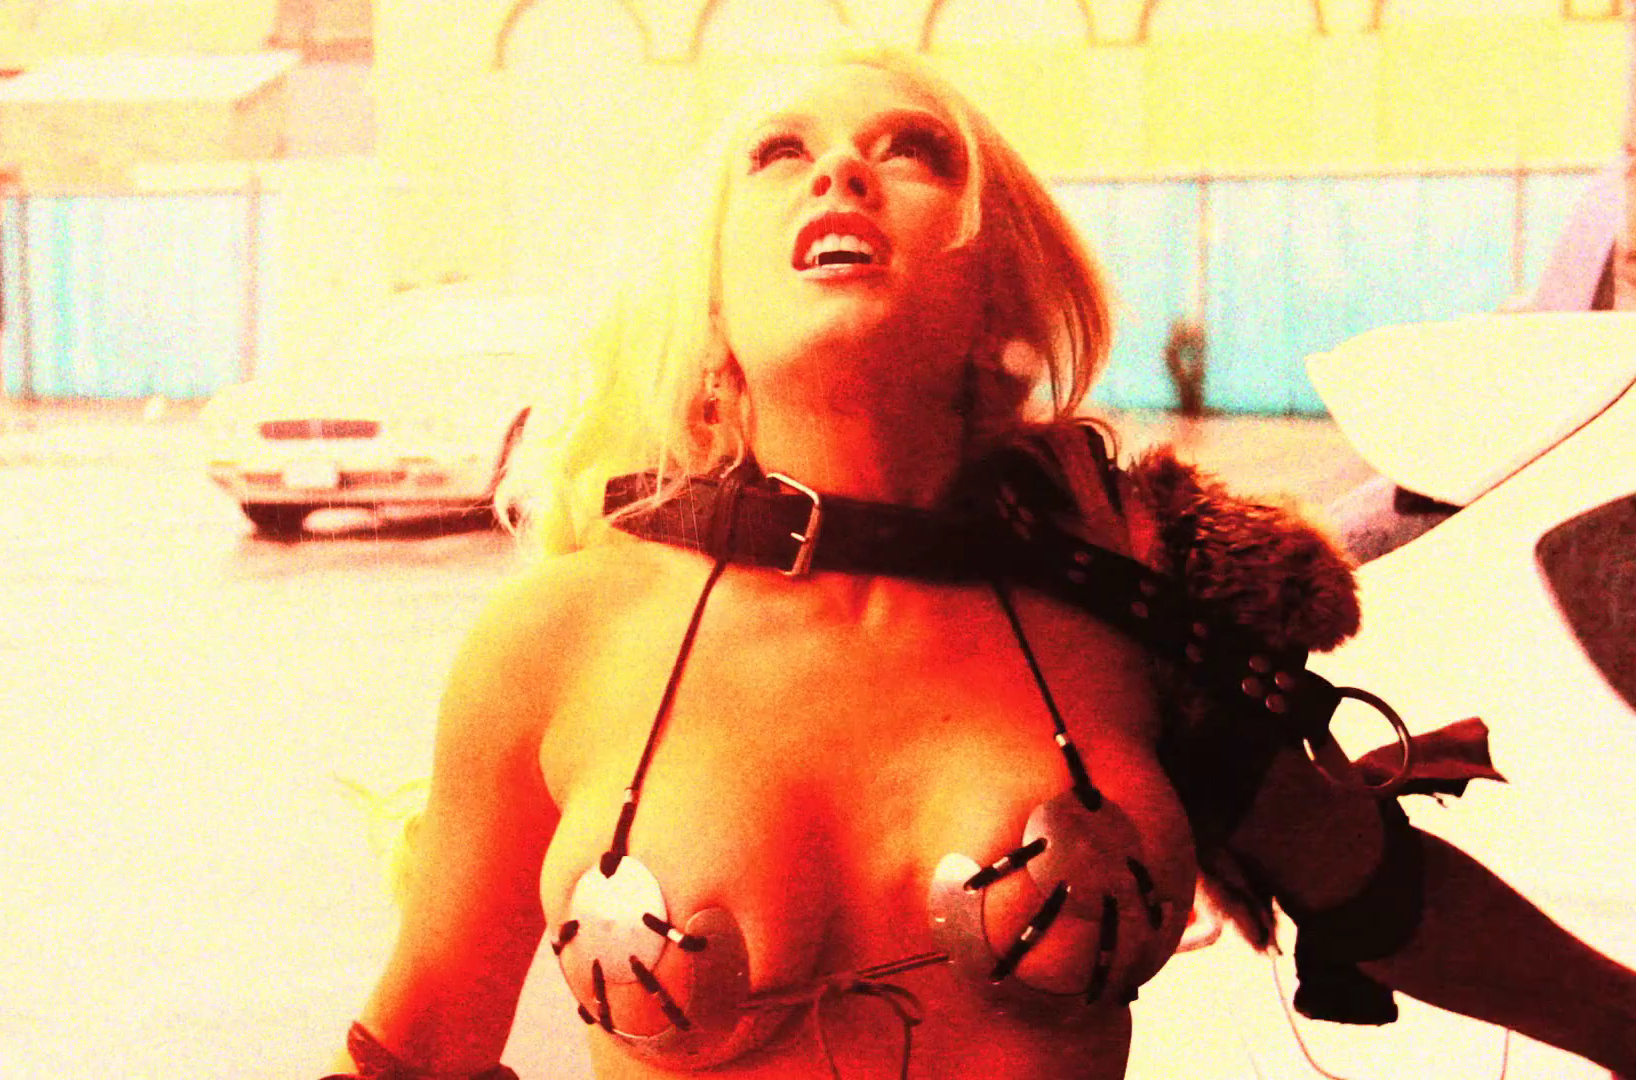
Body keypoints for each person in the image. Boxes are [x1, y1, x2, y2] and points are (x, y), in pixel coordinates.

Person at [329, 48, 1636, 1080]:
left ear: (996, 287)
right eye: (781, 153)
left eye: (914, 151)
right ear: (711, 298)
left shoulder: (1124, 592)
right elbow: (423, 1038)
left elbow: (1377, 892)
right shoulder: (557, 641)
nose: (843, 171)